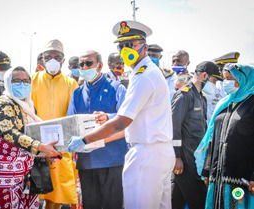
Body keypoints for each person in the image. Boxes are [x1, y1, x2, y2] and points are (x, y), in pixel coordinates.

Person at [68, 20, 175, 209]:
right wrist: (109, 117)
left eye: (131, 44)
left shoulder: (143, 75)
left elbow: (121, 123)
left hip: (146, 153)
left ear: (144, 46)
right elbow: (138, 112)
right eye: (122, 45)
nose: (126, 49)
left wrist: (84, 140)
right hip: (157, 151)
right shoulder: (144, 73)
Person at [0, 66, 61, 209]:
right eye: (17, 81)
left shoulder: (28, 105)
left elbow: (34, 132)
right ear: (8, 82)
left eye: (26, 81)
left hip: (21, 171)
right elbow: (9, 133)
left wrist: (46, 151)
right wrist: (39, 147)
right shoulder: (3, 102)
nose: (22, 84)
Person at [67, 50, 128, 209]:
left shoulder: (117, 88)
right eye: (81, 64)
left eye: (89, 63)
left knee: (112, 205)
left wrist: (108, 116)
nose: (84, 67)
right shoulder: (77, 93)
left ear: (100, 66)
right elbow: (70, 122)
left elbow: (129, 119)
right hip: (87, 162)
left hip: (113, 160)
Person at [195, 64, 254, 209]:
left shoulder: (252, 104)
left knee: (236, 205)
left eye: (230, 78)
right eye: (225, 78)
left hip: (241, 176)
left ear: (244, 79)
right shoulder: (225, 103)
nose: (226, 82)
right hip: (218, 174)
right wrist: (207, 169)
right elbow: (212, 138)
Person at [31, 39, 79, 209]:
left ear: (63, 61)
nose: (52, 60)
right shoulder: (31, 81)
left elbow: (74, 117)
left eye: (57, 57)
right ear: (42, 60)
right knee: (33, 194)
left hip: (60, 147)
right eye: (48, 56)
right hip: (36, 146)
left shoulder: (71, 84)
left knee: (56, 195)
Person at [171, 61, 220, 209]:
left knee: (176, 200)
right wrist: (176, 156)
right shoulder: (185, 95)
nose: (216, 84)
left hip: (196, 157)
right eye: (214, 80)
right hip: (185, 160)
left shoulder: (201, 97)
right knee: (199, 201)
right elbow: (174, 126)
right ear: (204, 75)